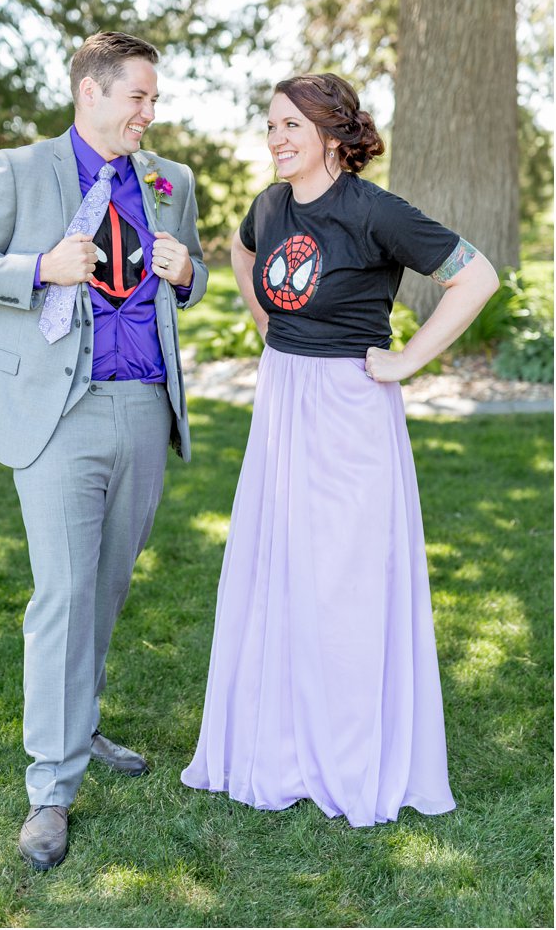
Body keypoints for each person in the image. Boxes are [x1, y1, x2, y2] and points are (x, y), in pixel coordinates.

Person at [182, 73, 497, 827]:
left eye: (290, 125)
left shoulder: (372, 210)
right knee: (280, 569)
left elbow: (474, 276)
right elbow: (239, 249)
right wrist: (263, 316)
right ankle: (281, 742)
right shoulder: (270, 204)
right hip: (281, 400)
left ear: (331, 135)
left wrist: (405, 360)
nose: (276, 139)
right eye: (269, 126)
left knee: (344, 580)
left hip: (348, 409)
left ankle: (349, 754)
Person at [0, 30, 207, 876]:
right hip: (57, 410)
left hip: (142, 403)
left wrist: (188, 272)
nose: (148, 114)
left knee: (108, 584)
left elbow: (181, 286)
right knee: (63, 591)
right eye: (138, 98)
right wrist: (39, 266)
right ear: (91, 93)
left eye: (153, 100)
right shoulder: (17, 169)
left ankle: (76, 723)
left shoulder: (170, 181)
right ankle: (50, 787)